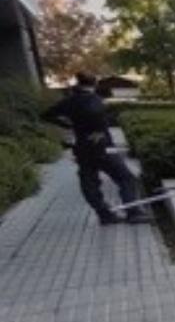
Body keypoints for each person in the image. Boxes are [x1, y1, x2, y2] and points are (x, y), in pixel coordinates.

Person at [42, 72, 151, 225]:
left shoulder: (69, 101)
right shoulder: (94, 100)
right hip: (101, 146)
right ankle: (133, 212)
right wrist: (97, 132)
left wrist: (68, 125)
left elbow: (45, 115)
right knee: (125, 178)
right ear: (94, 84)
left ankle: (104, 214)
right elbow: (96, 118)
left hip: (82, 148)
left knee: (89, 182)